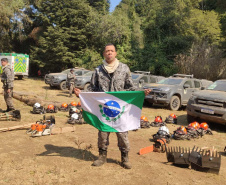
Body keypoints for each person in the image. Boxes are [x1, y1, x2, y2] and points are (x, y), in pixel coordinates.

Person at [74, 43, 151, 169]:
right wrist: (81, 94)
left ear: (115, 53)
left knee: (122, 133)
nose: (109, 53)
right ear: (104, 54)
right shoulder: (98, 70)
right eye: (107, 51)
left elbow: (130, 87)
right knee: (103, 132)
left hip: (119, 108)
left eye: (112, 51)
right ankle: (102, 156)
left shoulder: (124, 68)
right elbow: (93, 89)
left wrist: (141, 92)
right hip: (103, 108)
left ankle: (125, 158)